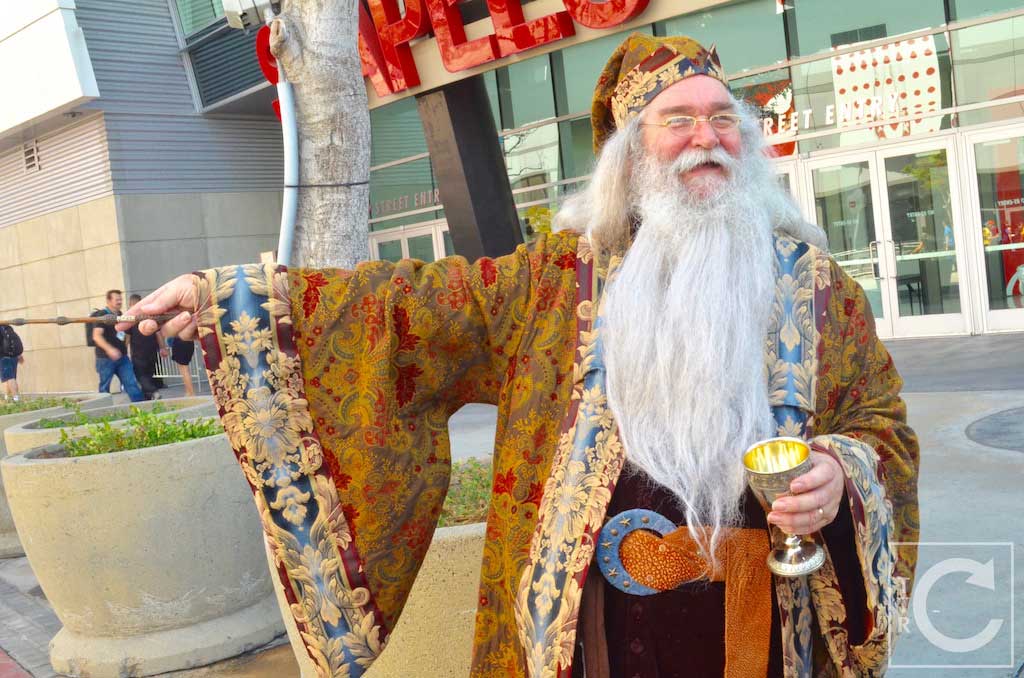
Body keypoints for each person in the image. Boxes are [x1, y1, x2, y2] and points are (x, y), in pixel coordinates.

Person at [123, 33, 919, 677]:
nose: (706, 138)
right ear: (632, 156)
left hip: (756, 627)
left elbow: (881, 424)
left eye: (723, 121)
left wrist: (841, 471)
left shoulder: (818, 289)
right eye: (678, 120)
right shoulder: (550, 280)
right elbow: (407, 307)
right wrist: (232, 302)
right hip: (593, 632)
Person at [92, 290, 144, 402]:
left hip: (122, 358)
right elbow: (96, 336)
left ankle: (142, 410)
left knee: (131, 383)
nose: (120, 302)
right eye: (117, 300)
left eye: (120, 299)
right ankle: (103, 412)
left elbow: (123, 334)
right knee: (104, 388)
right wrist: (110, 350)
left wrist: (125, 349)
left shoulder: (120, 315)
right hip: (105, 359)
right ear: (109, 301)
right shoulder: (102, 315)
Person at [126, 293, 166, 400]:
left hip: (139, 354)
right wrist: (163, 348)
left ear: (131, 305)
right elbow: (158, 333)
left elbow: (127, 337)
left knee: (142, 376)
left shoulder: (130, 319)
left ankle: (153, 392)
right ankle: (148, 398)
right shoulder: (149, 316)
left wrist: (125, 352)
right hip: (152, 352)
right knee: (148, 375)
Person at [0, 325, 23, 402]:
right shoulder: (7, 327)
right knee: (10, 377)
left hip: (4, 357)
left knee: (9, 378)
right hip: (14, 356)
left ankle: (16, 399)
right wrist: (19, 355)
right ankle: (7, 397)